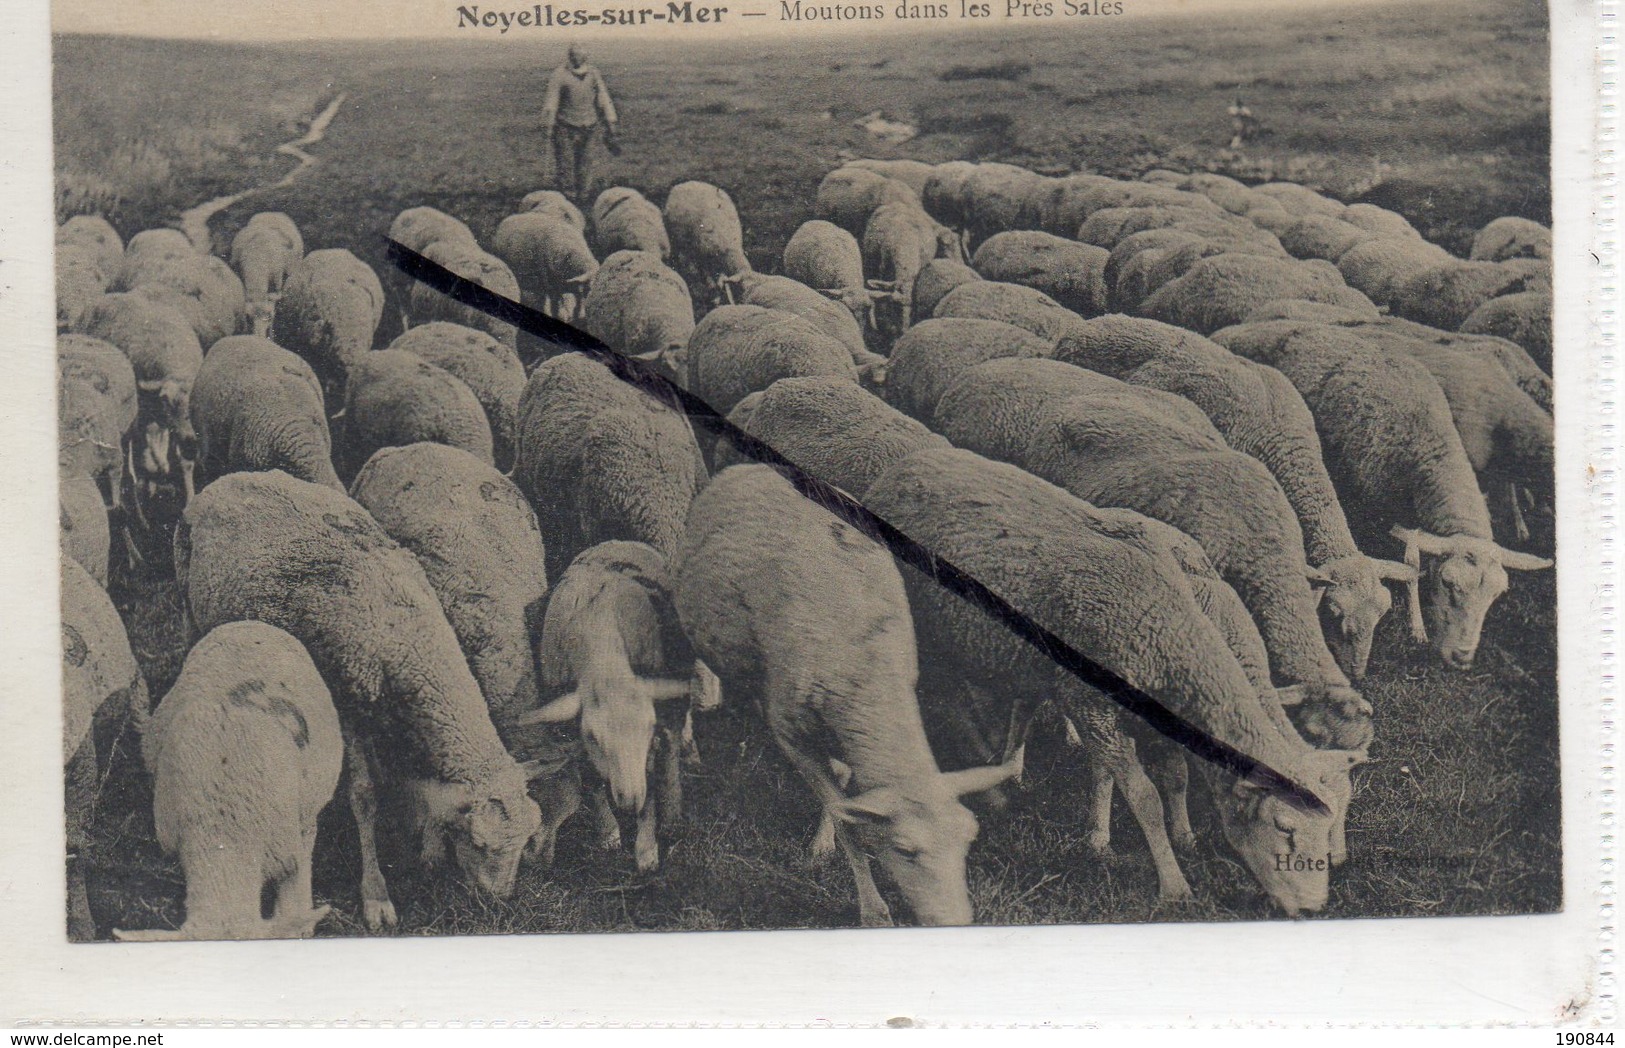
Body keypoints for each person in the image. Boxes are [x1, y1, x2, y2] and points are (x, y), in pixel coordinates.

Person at [542, 44, 620, 203]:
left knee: (586, 162)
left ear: (585, 57)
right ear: (570, 56)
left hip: (589, 125)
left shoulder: (593, 74)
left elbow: (603, 98)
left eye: (580, 56)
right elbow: (552, 100)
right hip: (565, 126)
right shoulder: (559, 74)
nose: (577, 58)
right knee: (566, 163)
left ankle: (584, 197)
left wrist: (611, 122)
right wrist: (549, 125)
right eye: (574, 55)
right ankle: (568, 198)